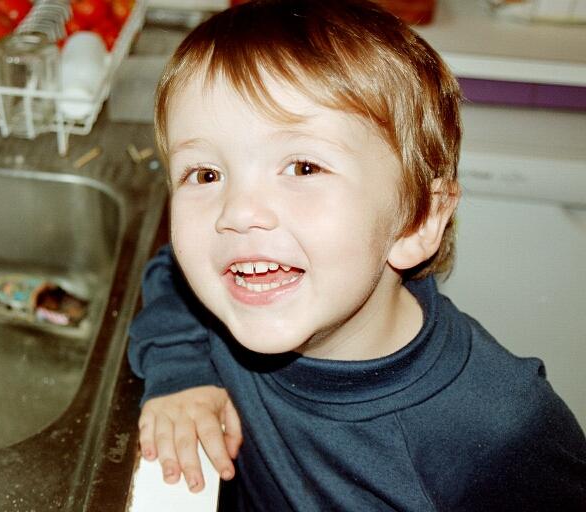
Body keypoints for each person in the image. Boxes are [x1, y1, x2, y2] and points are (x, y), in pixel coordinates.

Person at [128, 0, 586, 509]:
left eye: (303, 167)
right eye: (206, 174)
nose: (237, 212)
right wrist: (181, 376)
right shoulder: (237, 290)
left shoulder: (504, 434)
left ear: (419, 220)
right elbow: (169, 275)